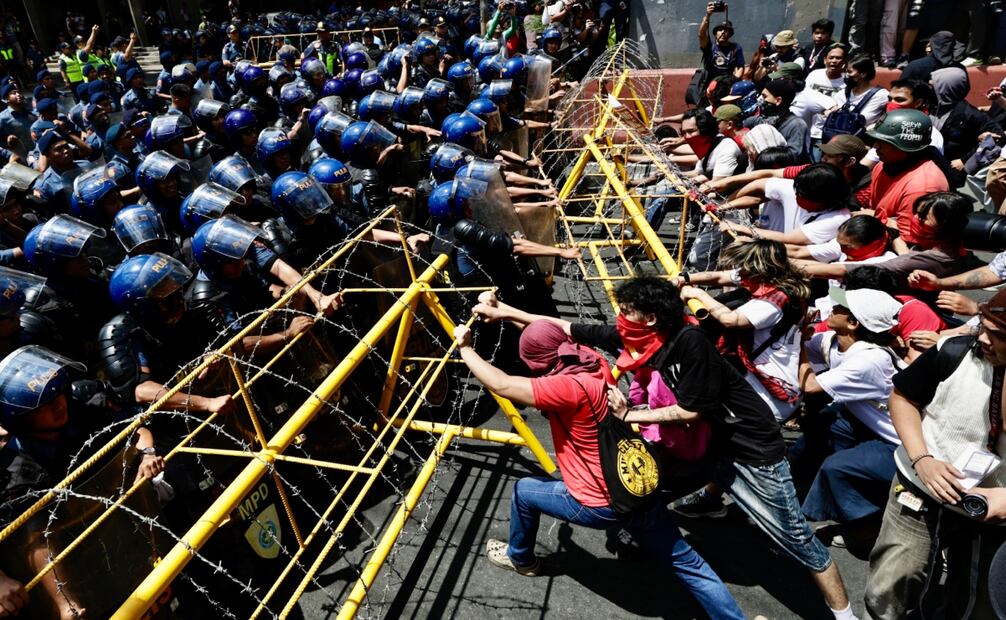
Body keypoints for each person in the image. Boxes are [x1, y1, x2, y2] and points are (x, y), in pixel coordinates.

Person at [477, 276, 858, 619]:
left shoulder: (689, 343)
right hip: (701, 445)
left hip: (749, 450)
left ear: (651, 319)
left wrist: (631, 415)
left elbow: (691, 411)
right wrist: (504, 311)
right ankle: (691, 513)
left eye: (626, 311)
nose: (620, 318)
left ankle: (845, 615)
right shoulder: (625, 345)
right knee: (651, 508)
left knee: (795, 536)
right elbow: (563, 329)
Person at [453, 316, 745, 619]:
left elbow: (501, 383)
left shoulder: (566, 387)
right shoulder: (594, 363)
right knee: (687, 562)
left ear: (538, 361)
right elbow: (550, 341)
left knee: (523, 491)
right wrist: (507, 314)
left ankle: (521, 559)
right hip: (635, 486)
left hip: (599, 501)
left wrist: (467, 348)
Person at [866, 288, 1006, 619]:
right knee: (890, 587)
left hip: (992, 515)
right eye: (982, 326)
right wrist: (923, 460)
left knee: (976, 603)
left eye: (998, 335)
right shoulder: (954, 351)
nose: (983, 339)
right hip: (920, 489)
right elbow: (902, 398)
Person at [793, 286, 903, 548]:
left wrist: (797, 341)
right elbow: (806, 347)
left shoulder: (869, 360)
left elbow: (810, 385)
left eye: (840, 308)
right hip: (861, 422)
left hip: (898, 442)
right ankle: (798, 496)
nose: (833, 308)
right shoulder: (834, 341)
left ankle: (866, 528)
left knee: (837, 467)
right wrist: (798, 334)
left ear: (853, 323)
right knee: (817, 432)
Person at [676, 239, 811, 422]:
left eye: (744, 267)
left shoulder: (772, 302)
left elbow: (730, 319)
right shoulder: (775, 280)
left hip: (770, 398)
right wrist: (685, 279)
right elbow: (720, 277)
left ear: (759, 269)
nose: (739, 272)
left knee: (704, 361)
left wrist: (698, 294)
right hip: (762, 385)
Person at [697, 3, 743, 91]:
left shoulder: (736, 48)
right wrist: (708, 15)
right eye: (720, 30)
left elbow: (740, 67)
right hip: (710, 87)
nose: (723, 32)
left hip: (728, 86)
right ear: (715, 33)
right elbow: (701, 34)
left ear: (730, 34)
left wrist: (734, 81)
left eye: (726, 30)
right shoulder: (709, 46)